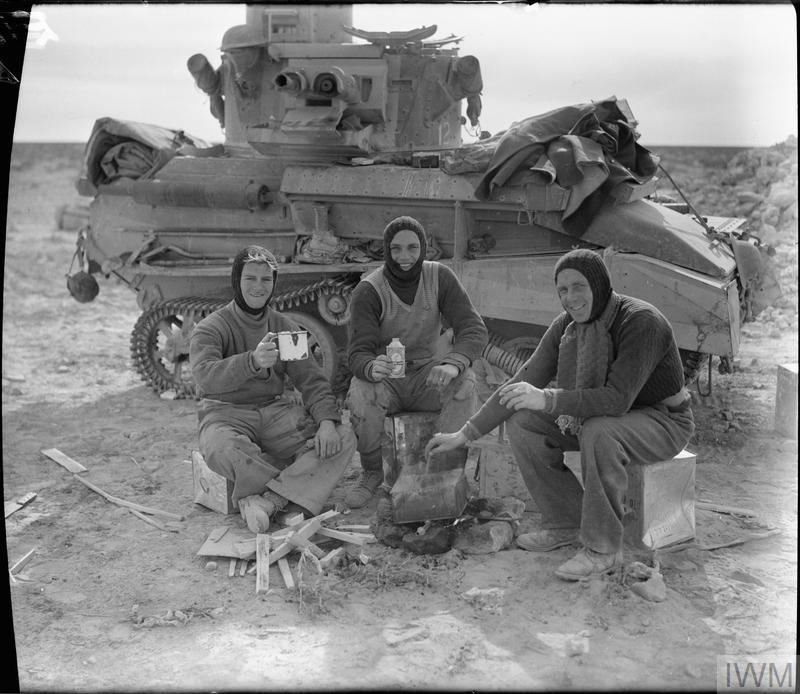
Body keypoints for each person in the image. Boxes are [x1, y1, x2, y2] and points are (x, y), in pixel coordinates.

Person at [425, 248, 694, 580]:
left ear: (599, 284)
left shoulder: (641, 321)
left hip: (663, 420)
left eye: (579, 286)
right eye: (562, 290)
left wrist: (548, 399)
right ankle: (565, 521)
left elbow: (616, 400)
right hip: (608, 416)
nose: (571, 297)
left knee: (599, 431)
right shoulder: (567, 326)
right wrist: (463, 434)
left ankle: (602, 549)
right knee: (523, 419)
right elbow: (519, 383)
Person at [190, 245, 356, 533]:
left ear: (274, 283)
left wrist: (327, 422)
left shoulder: (286, 328)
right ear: (236, 282)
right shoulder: (211, 328)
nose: (258, 287)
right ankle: (296, 486)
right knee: (222, 450)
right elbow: (206, 378)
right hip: (225, 414)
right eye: (250, 279)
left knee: (342, 437)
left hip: (274, 412)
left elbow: (312, 381)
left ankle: (269, 499)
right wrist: (251, 361)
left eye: (266, 280)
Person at [344, 216, 489, 508]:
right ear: (386, 250)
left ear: (423, 248)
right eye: (396, 249)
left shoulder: (440, 277)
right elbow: (357, 352)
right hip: (388, 380)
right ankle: (372, 473)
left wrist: (452, 364)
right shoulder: (369, 290)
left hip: (427, 375)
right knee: (362, 391)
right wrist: (372, 366)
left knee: (465, 384)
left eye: (412, 247)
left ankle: (445, 470)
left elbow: (473, 329)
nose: (404, 257)